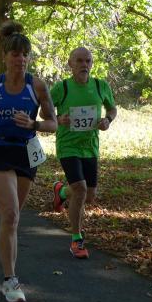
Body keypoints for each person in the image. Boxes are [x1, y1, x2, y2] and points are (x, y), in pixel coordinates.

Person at [0, 21, 57, 302]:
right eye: (15, 54)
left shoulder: (37, 86)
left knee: (11, 213)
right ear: (5, 56)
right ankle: (10, 280)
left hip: (25, 153)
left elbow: (53, 123)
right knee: (12, 216)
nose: (20, 59)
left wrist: (34, 123)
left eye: (25, 55)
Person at [49, 47, 117, 259]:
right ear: (70, 64)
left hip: (90, 146)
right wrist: (58, 119)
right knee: (80, 189)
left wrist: (107, 120)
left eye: (88, 61)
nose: (84, 65)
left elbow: (112, 109)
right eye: (79, 61)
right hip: (68, 145)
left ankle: (61, 192)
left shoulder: (100, 86)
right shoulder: (62, 88)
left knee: (89, 195)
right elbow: (45, 111)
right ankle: (76, 239)